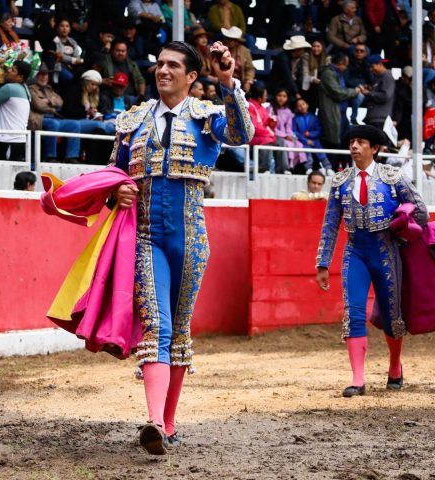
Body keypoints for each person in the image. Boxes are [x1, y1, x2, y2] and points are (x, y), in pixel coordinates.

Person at [110, 40, 253, 454]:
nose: (163, 70)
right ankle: (155, 421)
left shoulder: (208, 116)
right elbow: (114, 173)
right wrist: (117, 191)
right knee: (157, 326)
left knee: (179, 329)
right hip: (147, 237)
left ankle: (168, 422)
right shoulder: (133, 120)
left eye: (173, 65)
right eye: (159, 64)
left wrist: (228, 82)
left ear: (191, 76)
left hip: (191, 239)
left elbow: (242, 134)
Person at [315, 124, 428, 397]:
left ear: (374, 148)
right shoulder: (340, 181)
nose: (354, 146)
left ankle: (395, 366)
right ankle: (357, 379)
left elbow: (421, 211)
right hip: (355, 251)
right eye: (351, 142)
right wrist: (322, 263)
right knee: (353, 312)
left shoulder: (392, 177)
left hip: (386, 250)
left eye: (360, 142)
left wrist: (403, 229)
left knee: (392, 314)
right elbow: (330, 224)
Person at [28, 63, 81, 163]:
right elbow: (38, 105)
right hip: (38, 120)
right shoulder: (31, 89)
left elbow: (60, 102)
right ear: (36, 76)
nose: (44, 77)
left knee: (74, 124)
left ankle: (71, 157)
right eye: (41, 74)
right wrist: (52, 107)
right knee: (53, 124)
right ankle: (50, 157)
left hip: (53, 118)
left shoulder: (49, 88)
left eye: (46, 74)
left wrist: (49, 101)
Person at [318, 51, 361, 170]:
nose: (346, 68)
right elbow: (337, 93)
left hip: (341, 113)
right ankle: (331, 169)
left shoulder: (337, 74)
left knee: (345, 142)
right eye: (345, 65)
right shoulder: (328, 74)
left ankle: (343, 169)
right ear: (341, 63)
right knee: (333, 143)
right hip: (333, 114)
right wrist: (354, 92)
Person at [247, 83, 289, 174]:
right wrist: (268, 133)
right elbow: (254, 127)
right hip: (251, 137)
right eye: (265, 95)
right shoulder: (250, 106)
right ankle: (263, 168)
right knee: (267, 140)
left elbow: (265, 123)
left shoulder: (261, 106)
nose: (266, 97)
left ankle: (282, 169)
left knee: (281, 141)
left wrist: (271, 123)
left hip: (263, 135)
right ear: (259, 98)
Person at [268, 88, 306, 171]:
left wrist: (291, 136)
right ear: (275, 96)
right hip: (274, 135)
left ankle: (293, 167)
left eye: (284, 96)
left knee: (298, 144)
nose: (281, 98)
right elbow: (271, 127)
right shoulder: (270, 109)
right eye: (279, 95)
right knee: (287, 144)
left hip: (286, 136)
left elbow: (288, 128)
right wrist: (285, 136)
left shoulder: (288, 111)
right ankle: (285, 168)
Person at [293, 97, 333, 174]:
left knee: (320, 151)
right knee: (306, 151)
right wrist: (305, 140)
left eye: (303, 104)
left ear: (307, 105)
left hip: (314, 140)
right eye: (299, 106)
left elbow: (319, 130)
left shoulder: (314, 117)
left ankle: (328, 168)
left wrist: (310, 134)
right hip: (302, 141)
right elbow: (295, 132)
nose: (302, 107)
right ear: (297, 108)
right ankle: (308, 168)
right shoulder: (295, 119)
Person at [100, 38, 146, 103]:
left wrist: (141, 95)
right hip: (110, 97)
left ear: (126, 52)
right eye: (118, 50)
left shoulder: (132, 64)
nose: (120, 53)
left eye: (123, 51)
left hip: (131, 97)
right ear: (112, 50)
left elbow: (140, 80)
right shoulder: (104, 61)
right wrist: (103, 81)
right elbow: (94, 78)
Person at [269, 35, 311, 101]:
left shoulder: (297, 59)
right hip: (279, 86)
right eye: (302, 49)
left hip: (289, 86)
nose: (303, 52)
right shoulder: (283, 58)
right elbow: (287, 78)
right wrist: (296, 93)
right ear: (297, 50)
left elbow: (300, 75)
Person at [362, 54, 395, 130]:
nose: (371, 69)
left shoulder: (387, 76)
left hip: (380, 120)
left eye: (372, 66)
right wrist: (370, 89)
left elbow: (385, 96)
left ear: (380, 64)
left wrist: (369, 93)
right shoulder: (378, 78)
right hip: (374, 118)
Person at [221, 26, 254, 92]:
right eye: (227, 39)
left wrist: (248, 81)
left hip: (240, 81)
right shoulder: (221, 49)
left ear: (237, 41)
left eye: (231, 40)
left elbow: (250, 68)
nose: (228, 41)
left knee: (258, 86)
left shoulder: (244, 51)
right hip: (223, 80)